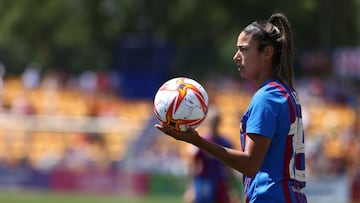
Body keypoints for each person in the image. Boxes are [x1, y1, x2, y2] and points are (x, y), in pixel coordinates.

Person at [155, 12, 307, 203]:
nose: (236, 57)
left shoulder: (267, 98)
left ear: (267, 53)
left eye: (243, 50)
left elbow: (251, 164)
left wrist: (197, 140)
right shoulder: (285, 92)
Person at [183, 108, 238, 203]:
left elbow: (229, 168)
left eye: (216, 121)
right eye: (212, 121)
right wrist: (191, 188)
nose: (214, 124)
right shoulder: (199, 141)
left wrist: (231, 189)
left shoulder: (225, 142)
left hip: (220, 182)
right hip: (204, 182)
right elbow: (192, 165)